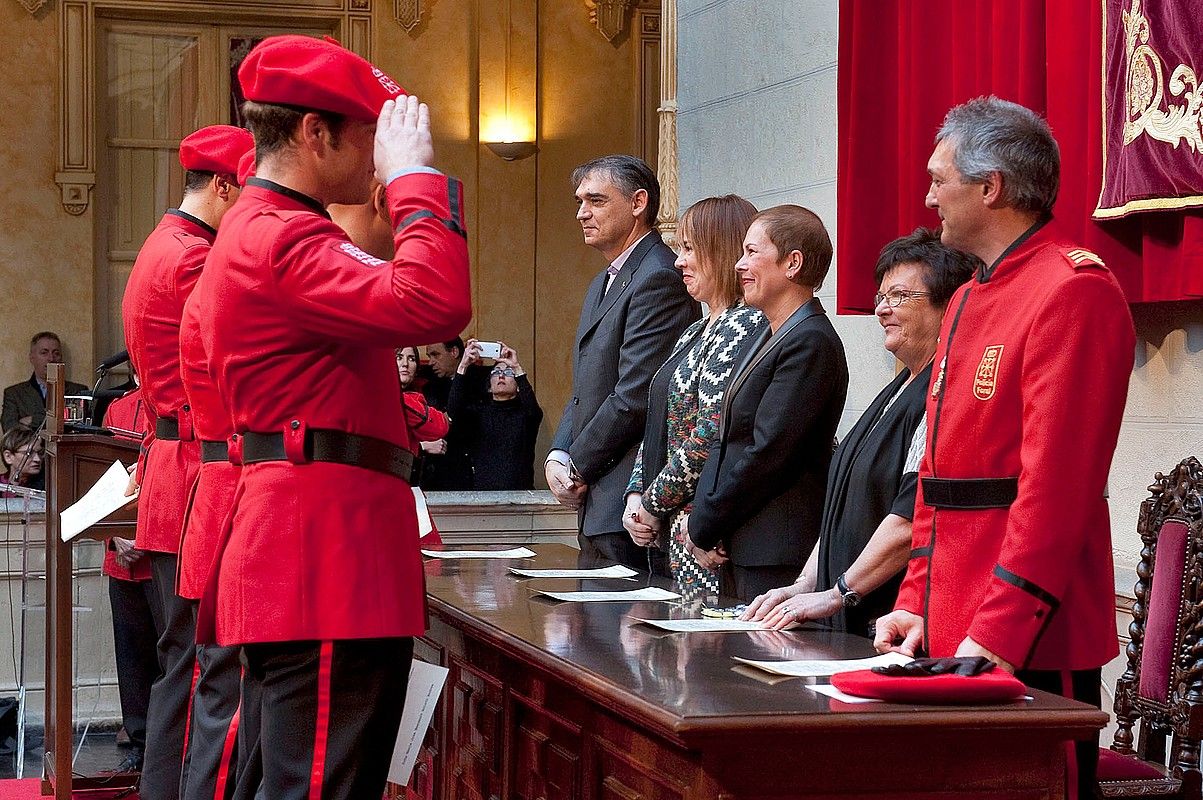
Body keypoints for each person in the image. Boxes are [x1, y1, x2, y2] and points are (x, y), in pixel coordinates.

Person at [194, 34, 470, 800]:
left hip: (322, 544)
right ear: (315, 134)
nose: (377, 160)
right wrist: (415, 177)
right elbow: (432, 303)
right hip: (320, 554)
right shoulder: (281, 236)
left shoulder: (274, 228)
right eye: (369, 138)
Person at [871, 97, 1135, 800]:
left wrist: (999, 629)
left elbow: (1057, 487)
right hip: (953, 616)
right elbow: (938, 477)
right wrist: (914, 600)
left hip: (1028, 629)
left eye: (939, 179)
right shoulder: (963, 300)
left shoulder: (1073, 289)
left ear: (989, 187)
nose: (927, 197)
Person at [741, 229, 978, 635]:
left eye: (900, 296)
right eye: (881, 298)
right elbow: (845, 507)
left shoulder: (944, 389)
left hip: (887, 621)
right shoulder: (896, 388)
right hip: (844, 610)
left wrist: (838, 593)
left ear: (949, 305)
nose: (883, 310)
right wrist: (804, 584)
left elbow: (909, 519)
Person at [121, 122, 253, 800]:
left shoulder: (160, 245)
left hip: (174, 468)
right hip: (198, 472)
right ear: (226, 187)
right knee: (209, 662)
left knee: (183, 659)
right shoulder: (193, 257)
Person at [685, 205, 848, 601]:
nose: (739, 265)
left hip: (775, 547)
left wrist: (705, 523)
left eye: (752, 253)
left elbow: (770, 452)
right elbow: (725, 437)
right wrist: (707, 521)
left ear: (792, 263)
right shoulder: (766, 332)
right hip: (741, 539)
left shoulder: (811, 341)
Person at [546, 154, 699, 571]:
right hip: (598, 496)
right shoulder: (603, 280)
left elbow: (635, 395)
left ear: (638, 203)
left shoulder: (659, 275)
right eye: (580, 201)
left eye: (596, 201)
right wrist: (558, 453)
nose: (582, 213)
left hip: (629, 498)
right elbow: (586, 389)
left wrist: (577, 463)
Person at [622, 195, 765, 597]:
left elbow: (711, 431)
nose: (678, 261)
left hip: (706, 535)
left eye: (688, 248)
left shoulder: (746, 326)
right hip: (672, 531)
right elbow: (660, 422)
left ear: (721, 250)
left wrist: (652, 502)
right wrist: (636, 496)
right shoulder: (694, 331)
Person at [100, 387, 159, 774]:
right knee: (132, 658)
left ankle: (169, 749)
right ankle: (138, 743)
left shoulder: (178, 402)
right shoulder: (117, 409)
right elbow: (102, 478)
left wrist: (146, 533)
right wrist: (117, 533)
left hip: (161, 552)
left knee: (169, 654)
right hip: (121, 553)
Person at [449, 339, 543, 489]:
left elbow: (534, 410)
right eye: (497, 372)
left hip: (520, 499)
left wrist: (517, 367)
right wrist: (463, 365)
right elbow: (454, 411)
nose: (501, 376)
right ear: (489, 388)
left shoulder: (526, 415)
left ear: (518, 386)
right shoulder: (478, 414)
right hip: (482, 498)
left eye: (508, 372)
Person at [2, 332, 89, 432]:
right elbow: (10, 431)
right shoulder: (14, 394)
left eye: (56, 353)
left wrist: (32, 420)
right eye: (44, 352)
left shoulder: (78, 392)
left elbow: (83, 429)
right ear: (32, 357)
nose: (51, 358)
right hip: (29, 448)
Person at [419, 337, 474, 490]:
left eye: (436, 355)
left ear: (454, 352)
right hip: (440, 474)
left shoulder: (481, 380)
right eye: (429, 356)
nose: (430, 362)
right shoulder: (430, 389)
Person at [0, 427, 43, 496]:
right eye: (28, 453)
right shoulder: (1, 484)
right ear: (8, 456)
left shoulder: (48, 485)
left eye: (40, 453)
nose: (37, 459)